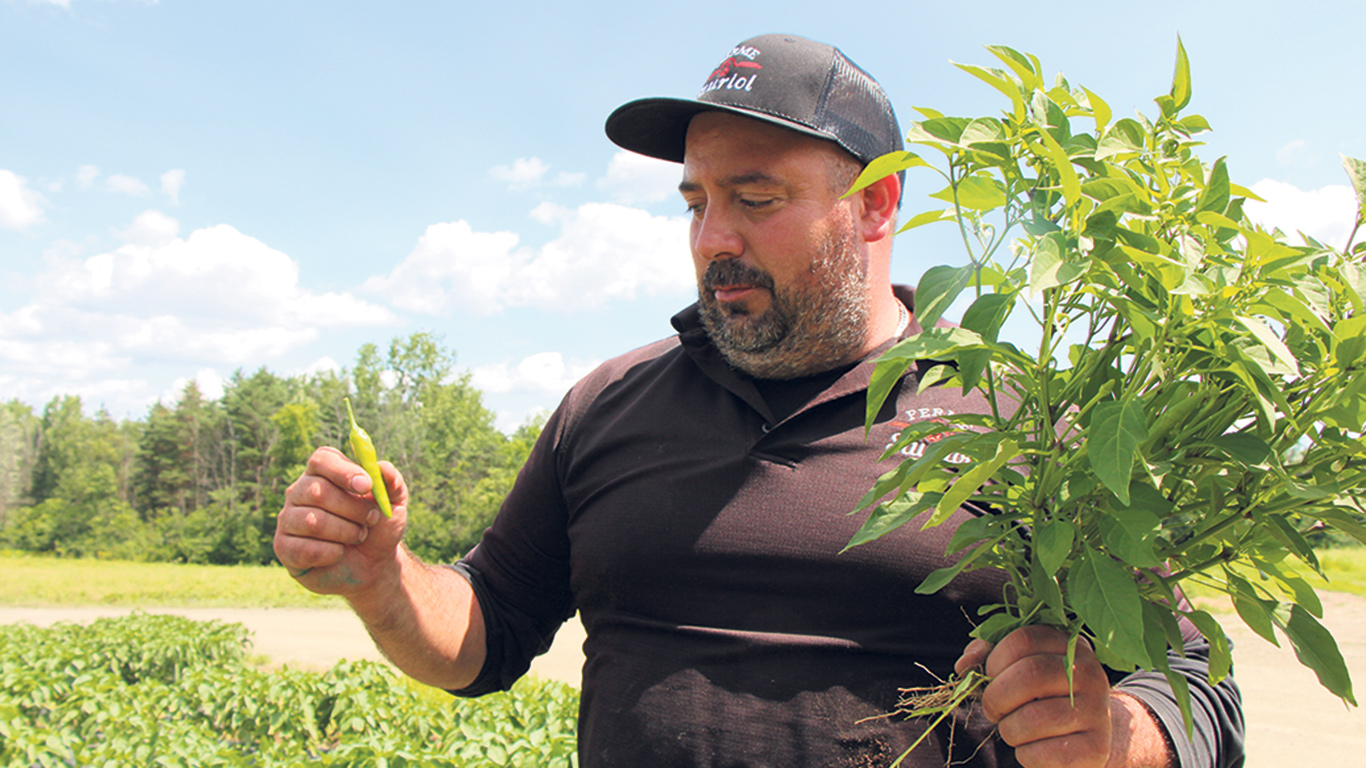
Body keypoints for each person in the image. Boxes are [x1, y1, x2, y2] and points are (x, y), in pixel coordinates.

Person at [275, 34, 1244, 768]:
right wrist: (385, 578)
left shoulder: (1016, 422)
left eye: (755, 197)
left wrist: (1129, 735)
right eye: (695, 202)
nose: (711, 239)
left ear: (874, 205)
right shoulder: (606, 408)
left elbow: (1195, 677)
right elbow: (483, 630)